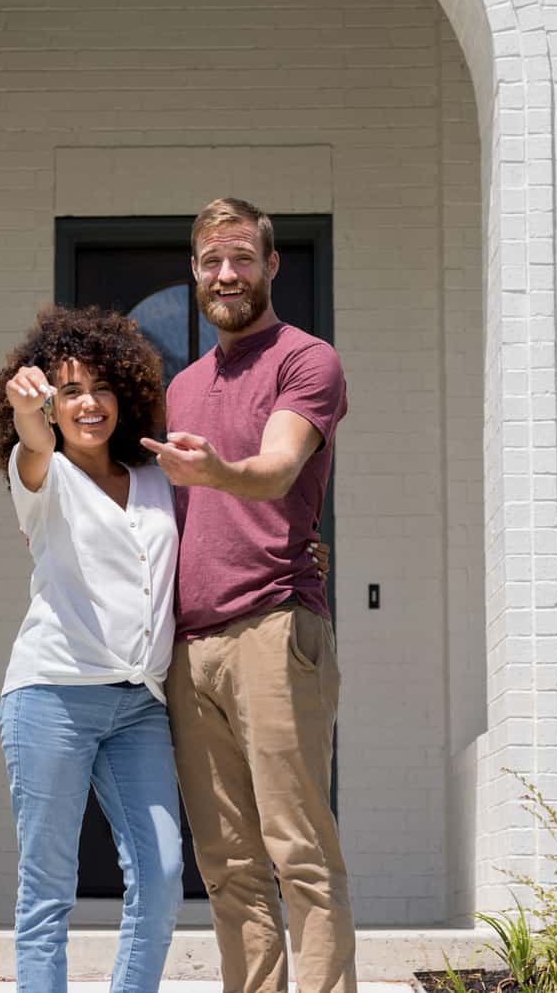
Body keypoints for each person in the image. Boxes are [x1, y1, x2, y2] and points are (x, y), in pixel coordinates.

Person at [141, 196, 355, 993]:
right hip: (189, 649)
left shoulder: (305, 360)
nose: (226, 273)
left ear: (270, 266)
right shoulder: (184, 387)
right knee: (228, 868)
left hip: (273, 627)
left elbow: (277, 466)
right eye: (210, 262)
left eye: (240, 257)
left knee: (299, 852)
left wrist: (219, 473)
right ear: (194, 275)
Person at [0, 305, 185, 993]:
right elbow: (34, 441)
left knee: (160, 876)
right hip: (51, 695)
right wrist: (26, 411)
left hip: (139, 706)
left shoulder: (156, 479)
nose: (88, 402)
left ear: (122, 393)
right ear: (52, 402)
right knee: (48, 890)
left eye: (100, 386)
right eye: (70, 390)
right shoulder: (40, 474)